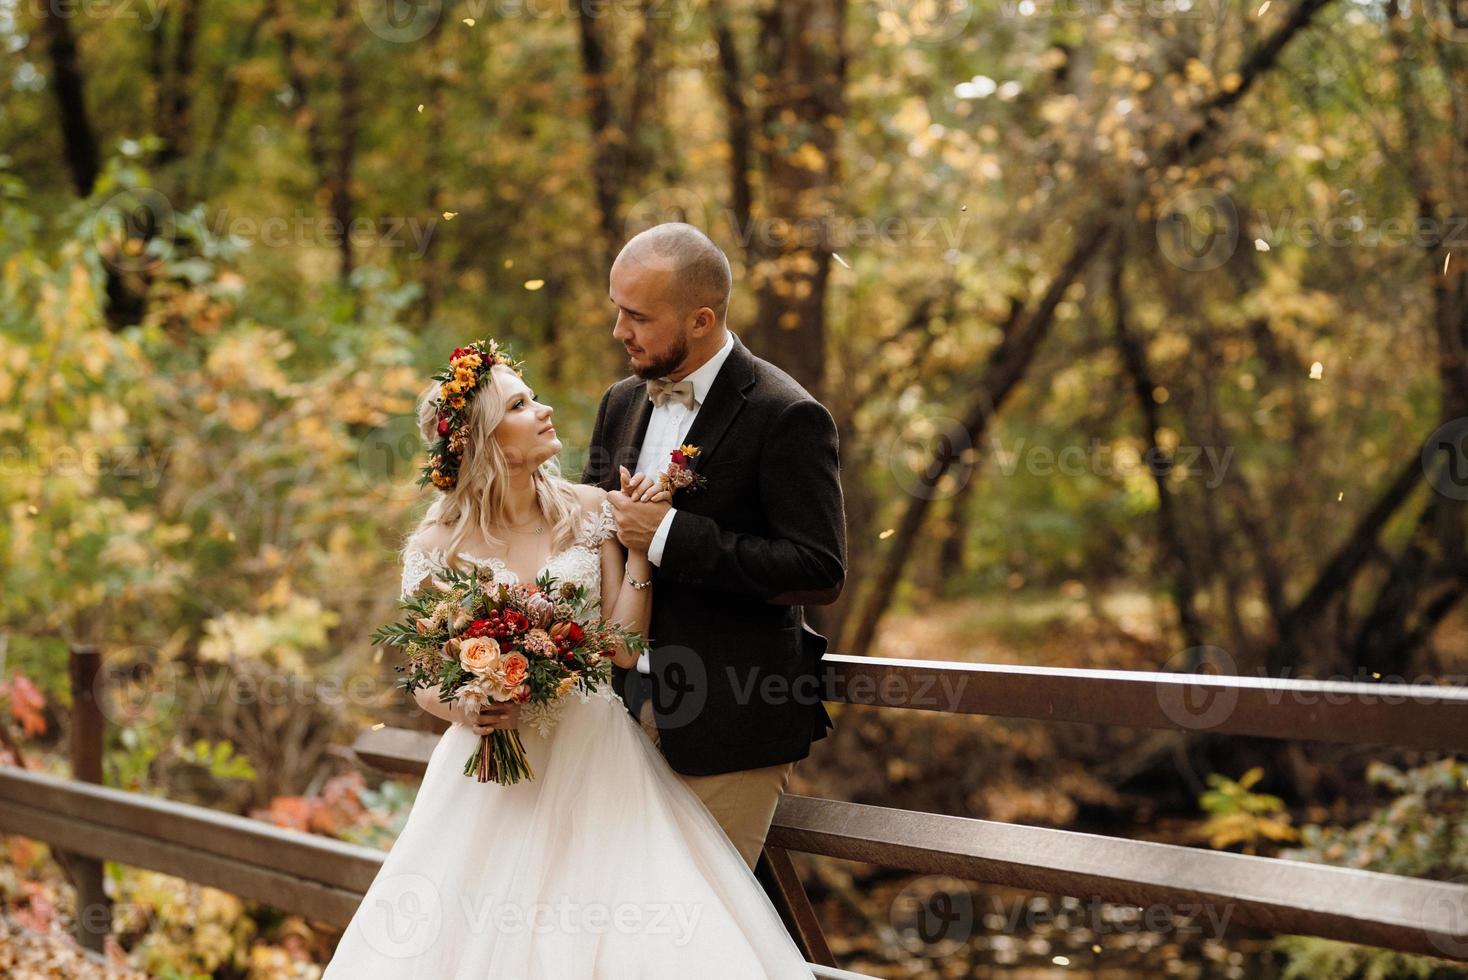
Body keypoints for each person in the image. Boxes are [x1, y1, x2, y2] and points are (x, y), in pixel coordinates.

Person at [321, 334, 815, 977]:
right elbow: (422, 675)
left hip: (595, 750)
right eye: (522, 405)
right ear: (485, 439)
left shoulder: (588, 511)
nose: (545, 409)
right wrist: (467, 704)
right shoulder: (437, 541)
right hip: (489, 776)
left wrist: (638, 551)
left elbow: (617, 646)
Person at [584, 222, 846, 870]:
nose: (621, 330)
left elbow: (818, 570)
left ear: (701, 319)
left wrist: (669, 535)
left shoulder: (787, 415)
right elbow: (590, 536)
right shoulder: (620, 402)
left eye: (638, 316)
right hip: (615, 718)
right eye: (618, 309)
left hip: (731, 724)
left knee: (701, 933)